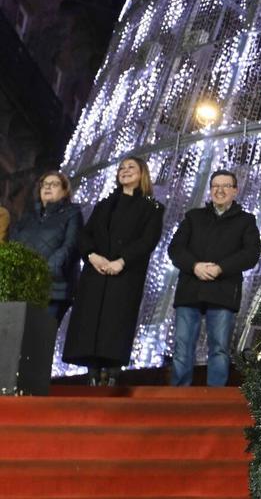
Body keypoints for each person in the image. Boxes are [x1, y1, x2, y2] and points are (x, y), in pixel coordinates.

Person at [63, 157, 164, 386]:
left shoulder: (152, 208)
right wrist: (92, 255)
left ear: (142, 174)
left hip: (125, 274)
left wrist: (122, 261)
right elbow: (85, 234)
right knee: (90, 321)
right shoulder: (104, 204)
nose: (125, 171)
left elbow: (148, 240)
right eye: (121, 168)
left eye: (131, 167)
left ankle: (112, 373)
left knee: (116, 323)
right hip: (96, 272)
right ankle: (92, 373)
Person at [167, 170, 261, 387]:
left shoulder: (246, 220)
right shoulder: (193, 217)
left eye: (226, 186)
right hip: (190, 289)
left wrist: (221, 268)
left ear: (235, 191)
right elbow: (175, 249)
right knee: (182, 347)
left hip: (223, 290)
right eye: (215, 186)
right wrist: (195, 266)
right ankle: (179, 395)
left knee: (219, 348)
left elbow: (251, 254)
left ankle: (215, 396)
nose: (220, 190)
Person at [8, 171, 84, 324]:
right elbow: (13, 245)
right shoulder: (27, 217)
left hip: (53, 289)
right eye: (44, 184)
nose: (48, 187)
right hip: (21, 286)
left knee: (39, 334)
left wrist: (45, 271)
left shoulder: (72, 214)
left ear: (65, 191)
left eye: (54, 184)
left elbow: (71, 245)